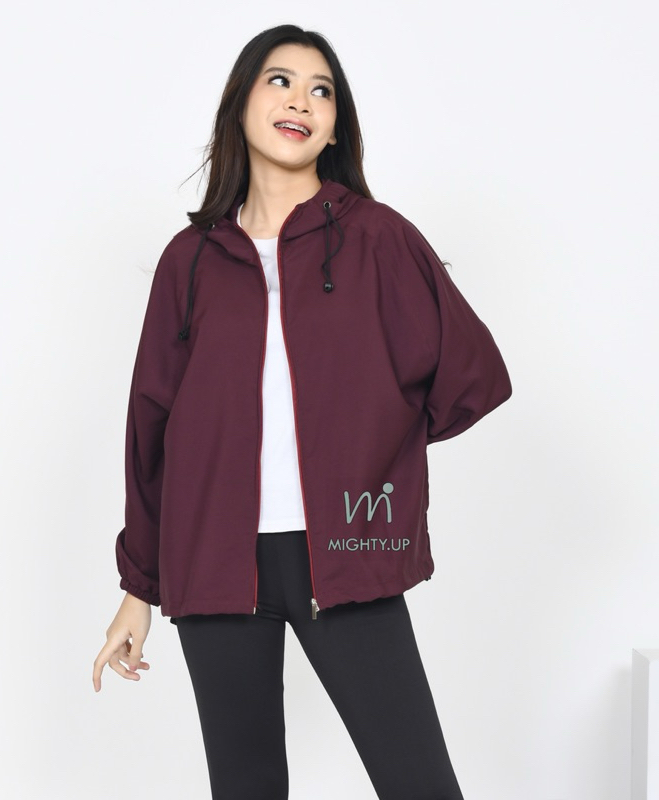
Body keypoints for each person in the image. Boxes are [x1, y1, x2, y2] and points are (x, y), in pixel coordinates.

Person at [92, 23, 512, 800]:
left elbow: (471, 375)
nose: (301, 101)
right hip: (214, 562)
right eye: (280, 81)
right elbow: (150, 432)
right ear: (241, 103)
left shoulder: (378, 239)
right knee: (246, 787)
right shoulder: (190, 261)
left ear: (335, 126)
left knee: (419, 784)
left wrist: (372, 451)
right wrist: (137, 587)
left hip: (348, 546)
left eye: (322, 91)